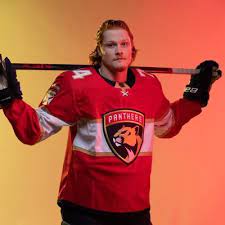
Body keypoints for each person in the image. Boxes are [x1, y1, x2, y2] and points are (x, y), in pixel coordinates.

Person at [0, 20, 222, 225]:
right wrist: (8, 97)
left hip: (135, 210)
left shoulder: (149, 85)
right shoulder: (75, 84)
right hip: (85, 210)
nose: (119, 50)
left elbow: (168, 126)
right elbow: (34, 130)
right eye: (111, 44)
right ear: (99, 50)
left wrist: (195, 95)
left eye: (124, 43)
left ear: (132, 48)